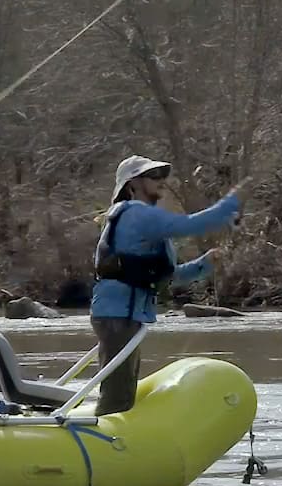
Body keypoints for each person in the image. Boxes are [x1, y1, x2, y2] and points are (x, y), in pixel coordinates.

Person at [89, 156, 245, 415]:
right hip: (118, 315)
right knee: (118, 394)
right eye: (152, 176)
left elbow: (167, 276)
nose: (161, 181)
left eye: (162, 176)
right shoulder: (135, 213)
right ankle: (105, 437)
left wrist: (204, 264)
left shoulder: (142, 222)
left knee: (123, 389)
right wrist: (231, 203)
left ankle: (112, 427)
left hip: (123, 315)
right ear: (132, 186)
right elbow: (189, 225)